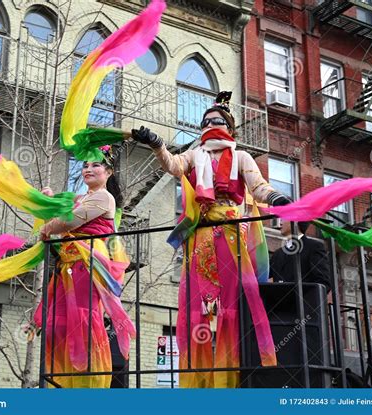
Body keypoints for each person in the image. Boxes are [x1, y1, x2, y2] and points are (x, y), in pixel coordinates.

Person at [131, 91, 291, 388]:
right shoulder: (195, 155)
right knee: (197, 306)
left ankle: (229, 379)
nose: (210, 125)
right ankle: (196, 383)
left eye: (216, 120)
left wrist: (277, 198)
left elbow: (258, 187)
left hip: (231, 235)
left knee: (232, 305)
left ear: (229, 128)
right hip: (200, 236)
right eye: (205, 122)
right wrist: (157, 145)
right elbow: (174, 166)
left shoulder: (241, 157)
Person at [34, 147, 135, 388]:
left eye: (96, 165)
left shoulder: (103, 197)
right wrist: (48, 204)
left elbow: (67, 222)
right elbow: (57, 223)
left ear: (109, 171)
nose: (88, 169)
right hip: (67, 265)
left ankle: (90, 384)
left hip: (86, 263)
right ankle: (63, 382)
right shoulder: (81, 199)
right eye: (85, 165)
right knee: (58, 323)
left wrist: (49, 226)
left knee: (83, 319)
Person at [270, 221, 332, 292]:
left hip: (303, 301)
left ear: (295, 222)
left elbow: (323, 282)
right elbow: (266, 277)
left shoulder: (313, 247)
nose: (280, 222)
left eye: (284, 218)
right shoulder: (277, 253)